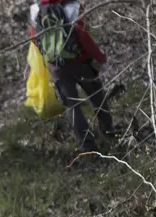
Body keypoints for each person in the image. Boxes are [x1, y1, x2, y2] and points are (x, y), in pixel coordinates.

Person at [29, 0, 113, 153]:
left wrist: (51, 56)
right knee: (96, 97)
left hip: (57, 67)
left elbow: (34, 37)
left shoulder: (35, 10)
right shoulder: (74, 7)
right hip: (81, 63)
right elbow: (83, 36)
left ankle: (87, 145)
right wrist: (99, 57)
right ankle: (108, 131)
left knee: (72, 106)